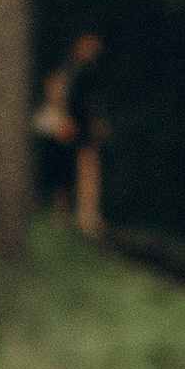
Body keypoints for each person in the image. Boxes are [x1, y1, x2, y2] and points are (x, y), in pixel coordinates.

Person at [33, 31, 105, 233]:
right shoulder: (71, 69)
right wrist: (64, 118)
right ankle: (75, 215)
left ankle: (87, 215)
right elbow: (59, 92)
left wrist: (95, 120)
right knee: (68, 169)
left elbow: (90, 101)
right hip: (70, 125)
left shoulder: (89, 70)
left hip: (82, 127)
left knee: (86, 168)